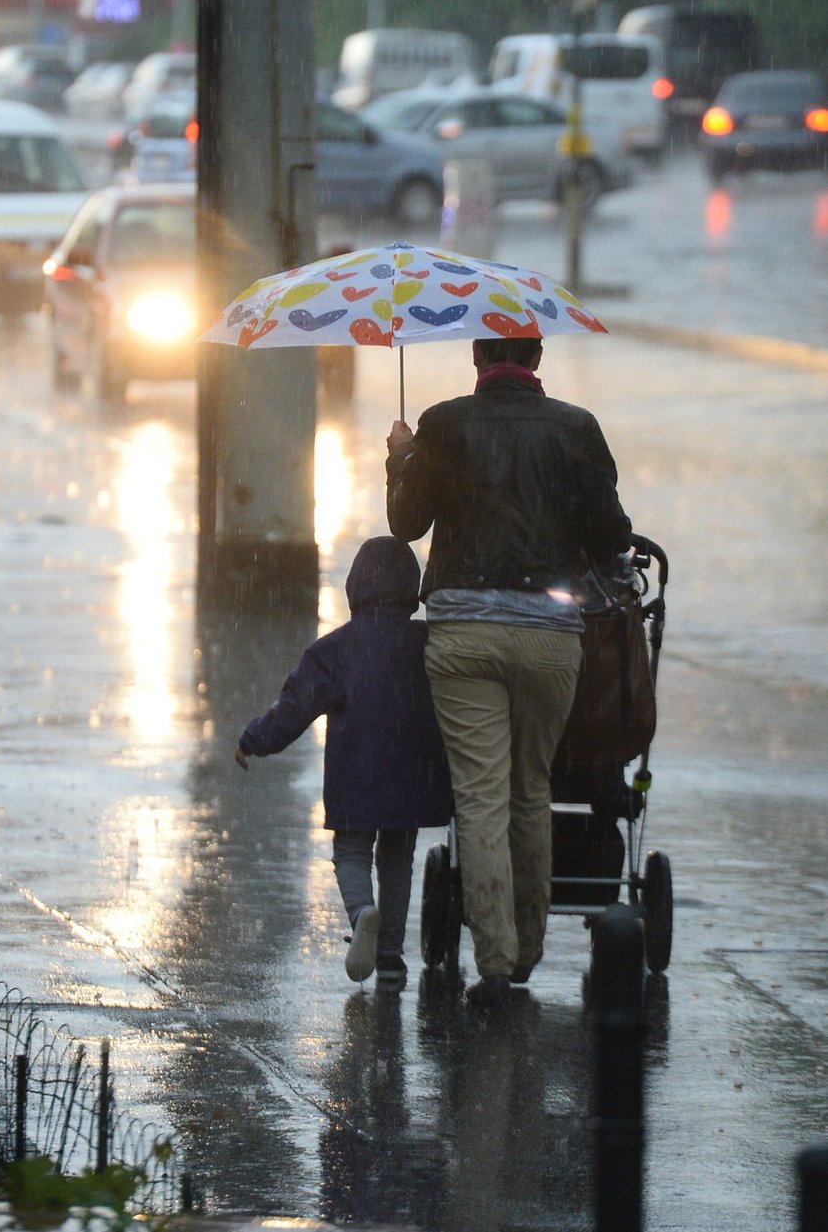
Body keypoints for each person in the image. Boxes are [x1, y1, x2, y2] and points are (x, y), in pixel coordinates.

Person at [386, 336, 631, 1012]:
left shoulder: (442, 423)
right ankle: (527, 948)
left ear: (476, 357)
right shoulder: (578, 429)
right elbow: (611, 537)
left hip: (463, 634)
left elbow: (406, 524)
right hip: (550, 638)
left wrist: (400, 461)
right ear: (537, 355)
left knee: (481, 795)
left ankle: (493, 966)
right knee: (533, 786)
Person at [235, 536, 453, 992]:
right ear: (411, 587)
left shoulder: (336, 649)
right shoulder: (429, 644)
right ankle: (391, 963)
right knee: (397, 859)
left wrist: (254, 740)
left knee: (352, 853)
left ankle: (361, 913)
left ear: (355, 586)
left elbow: (294, 709)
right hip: (414, 775)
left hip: (358, 775)